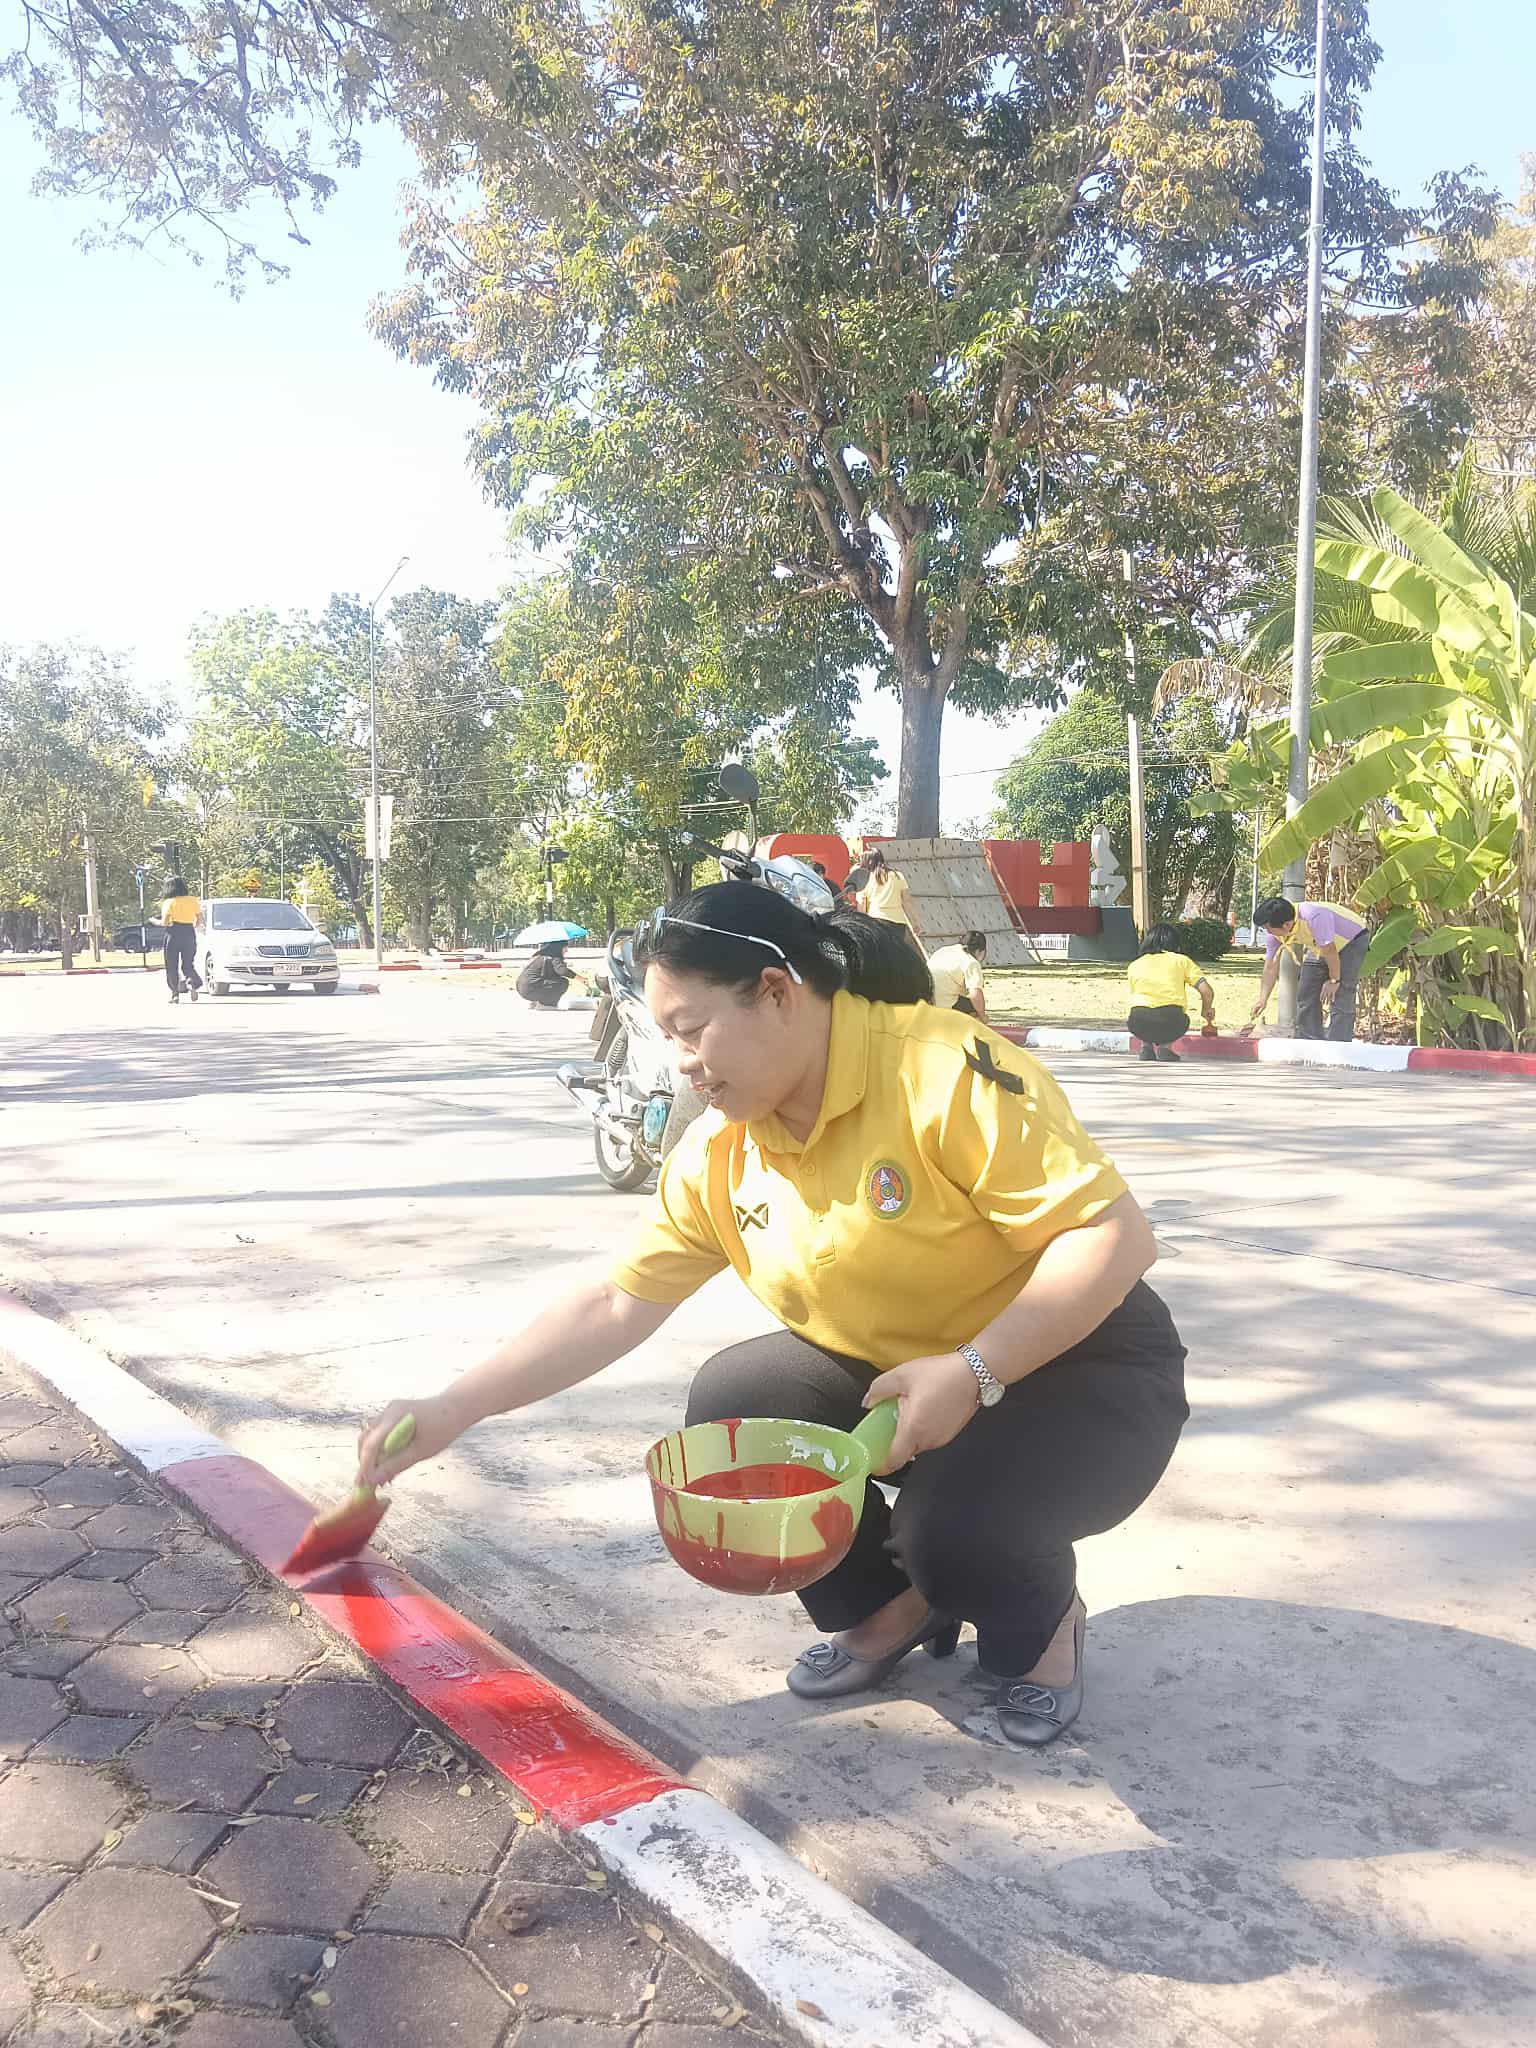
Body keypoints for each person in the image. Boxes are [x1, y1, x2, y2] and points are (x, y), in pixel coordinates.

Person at [357, 882, 1187, 1748]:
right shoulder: (721, 1149)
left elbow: (1114, 1238)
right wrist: (455, 1408)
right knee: (737, 1403)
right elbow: (614, 1301)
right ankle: (894, 1608)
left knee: (950, 1530)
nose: (681, 1061)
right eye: (665, 1036)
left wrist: (976, 1371)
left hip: (1077, 1363)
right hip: (904, 1370)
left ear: (778, 994)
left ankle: (1040, 1632)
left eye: (691, 1028)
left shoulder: (940, 1072)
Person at [1243, 896, 1369, 1042]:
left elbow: (1330, 951)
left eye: (1268, 928)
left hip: (1352, 940)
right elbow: (1270, 967)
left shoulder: (1315, 916)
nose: (1268, 933)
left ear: (1286, 925)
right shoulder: (1275, 934)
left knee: (1341, 993)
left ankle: (1339, 1045)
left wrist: (1334, 980)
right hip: (1321, 944)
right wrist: (1262, 999)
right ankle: (1309, 1041)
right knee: (1306, 991)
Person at [1126, 924, 1215, 1064]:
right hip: (1171, 1021)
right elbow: (1206, 991)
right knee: (1179, 1017)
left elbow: (1135, 996)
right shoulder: (1182, 961)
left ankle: (1146, 1046)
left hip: (1137, 1022)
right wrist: (1206, 1010)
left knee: (1145, 1010)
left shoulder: (1135, 964)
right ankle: (1165, 1047)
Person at [856, 848, 924, 951]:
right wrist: (915, 923)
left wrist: (862, 925)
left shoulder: (865, 879)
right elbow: (907, 902)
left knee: (880, 953)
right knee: (895, 953)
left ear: (867, 861)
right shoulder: (898, 876)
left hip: (877, 920)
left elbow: (862, 905)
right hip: (898, 923)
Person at [159, 877, 202, 1004]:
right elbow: (199, 919)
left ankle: (175, 994)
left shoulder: (169, 902)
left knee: (171, 965)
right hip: (189, 932)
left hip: (173, 933)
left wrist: (155, 921)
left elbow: (165, 922)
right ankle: (192, 981)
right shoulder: (193, 900)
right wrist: (192, 926)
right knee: (188, 963)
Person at [928, 931, 988, 1019]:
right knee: (975, 1008)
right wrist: (983, 1016)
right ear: (979, 951)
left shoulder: (943, 950)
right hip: (943, 1005)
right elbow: (975, 994)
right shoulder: (971, 962)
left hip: (926, 999)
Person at [516, 940, 583, 1009]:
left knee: (553, 979)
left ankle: (535, 1002)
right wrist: (580, 978)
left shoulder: (540, 954)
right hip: (531, 988)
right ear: (559, 948)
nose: (566, 950)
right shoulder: (554, 956)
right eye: (565, 947)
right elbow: (562, 971)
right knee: (563, 982)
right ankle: (546, 1005)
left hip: (522, 987)